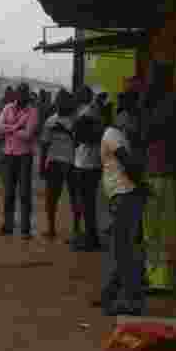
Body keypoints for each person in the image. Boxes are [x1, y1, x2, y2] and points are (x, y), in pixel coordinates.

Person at [96, 106, 149, 316]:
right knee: (123, 250)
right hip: (124, 195)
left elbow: (129, 163)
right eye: (128, 115)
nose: (131, 119)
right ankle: (111, 295)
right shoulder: (113, 135)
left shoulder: (120, 135)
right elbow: (127, 162)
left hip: (125, 196)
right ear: (119, 116)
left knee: (123, 251)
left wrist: (140, 186)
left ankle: (130, 301)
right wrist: (142, 185)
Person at [140, 62, 176, 293]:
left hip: (163, 172)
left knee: (161, 228)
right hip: (156, 171)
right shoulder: (164, 102)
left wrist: (146, 103)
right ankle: (154, 275)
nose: (148, 82)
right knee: (152, 228)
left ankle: (161, 280)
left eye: (151, 77)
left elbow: (147, 132)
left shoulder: (169, 103)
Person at [0, 83, 40, 238]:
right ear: (16, 94)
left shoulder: (33, 111)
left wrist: (9, 128)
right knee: (8, 192)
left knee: (24, 193)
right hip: (8, 154)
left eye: (24, 93)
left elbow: (29, 134)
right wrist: (16, 127)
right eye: (19, 93)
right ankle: (8, 226)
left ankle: (25, 229)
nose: (21, 96)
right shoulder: (7, 108)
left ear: (27, 95)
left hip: (24, 156)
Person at [38, 90, 77, 240]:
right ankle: (51, 228)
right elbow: (44, 145)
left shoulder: (76, 121)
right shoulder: (50, 121)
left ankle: (76, 229)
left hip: (72, 163)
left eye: (63, 101)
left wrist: (66, 131)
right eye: (58, 101)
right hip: (54, 162)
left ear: (69, 103)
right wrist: (42, 164)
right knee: (51, 197)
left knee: (75, 197)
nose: (60, 104)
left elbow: (79, 142)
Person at [71, 86, 104, 252]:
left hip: (88, 163)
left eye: (79, 94)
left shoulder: (89, 111)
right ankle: (90, 237)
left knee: (87, 203)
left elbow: (86, 136)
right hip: (85, 162)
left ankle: (91, 239)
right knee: (86, 202)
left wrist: (77, 130)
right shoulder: (90, 111)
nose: (76, 96)